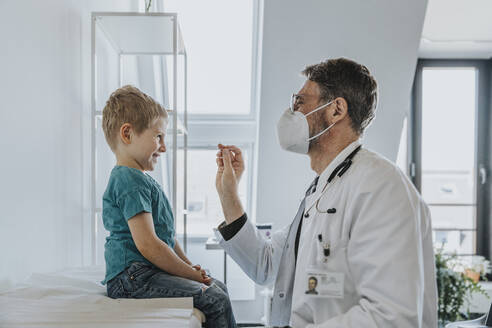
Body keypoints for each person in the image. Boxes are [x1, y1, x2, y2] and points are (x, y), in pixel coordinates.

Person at [214, 58, 437, 327]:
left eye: (300, 101)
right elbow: (267, 264)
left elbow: (391, 317)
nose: (292, 111)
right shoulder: (322, 189)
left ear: (336, 110)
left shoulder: (381, 186)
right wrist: (229, 193)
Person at [100, 85, 236, 328]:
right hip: (132, 278)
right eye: (158, 137)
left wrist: (189, 266)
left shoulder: (140, 180)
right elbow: (149, 245)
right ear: (127, 133)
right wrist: (189, 274)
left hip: (144, 272)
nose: (163, 147)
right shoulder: (128, 180)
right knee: (214, 299)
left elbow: (166, 237)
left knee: (218, 287)